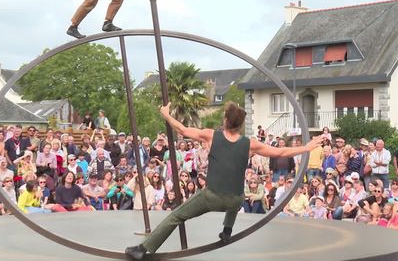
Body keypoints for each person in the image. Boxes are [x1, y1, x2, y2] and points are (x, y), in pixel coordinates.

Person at [125, 101, 323, 260]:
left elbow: (183, 130)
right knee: (235, 196)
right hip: (236, 200)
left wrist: (166, 114)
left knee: (175, 216)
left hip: (211, 197)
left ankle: (142, 249)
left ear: (226, 120)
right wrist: (307, 147)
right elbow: (281, 151)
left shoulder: (211, 136)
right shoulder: (249, 144)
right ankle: (227, 230)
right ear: (240, 124)